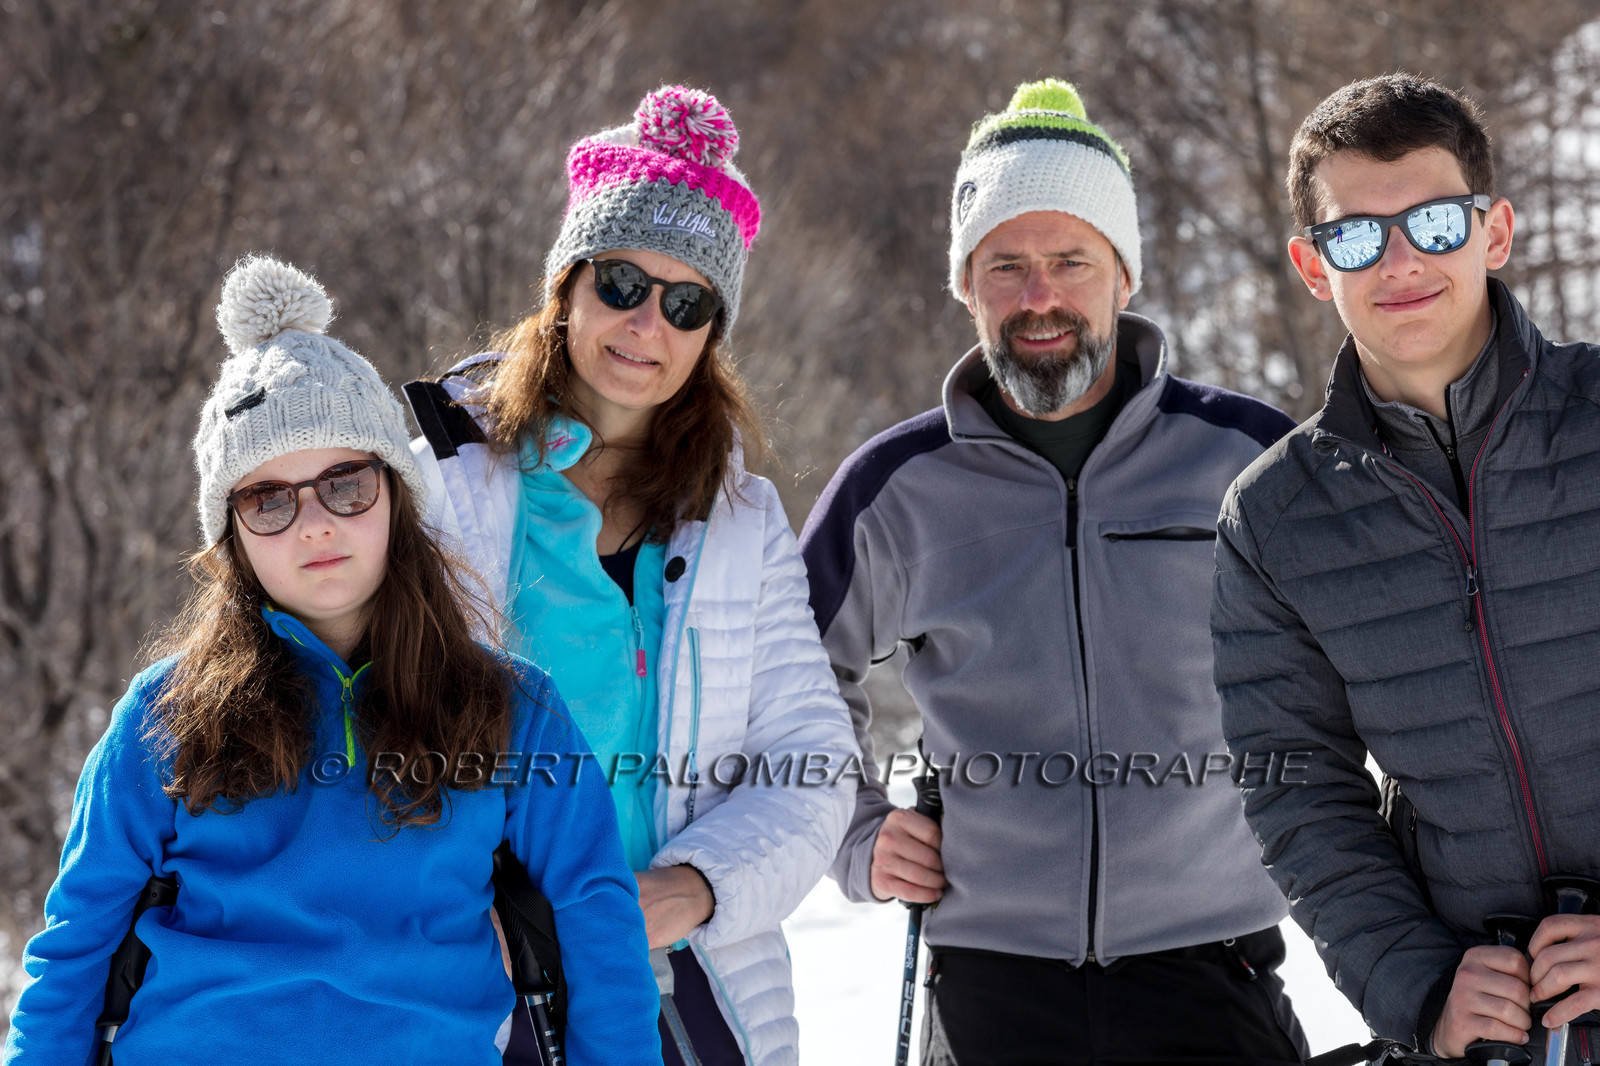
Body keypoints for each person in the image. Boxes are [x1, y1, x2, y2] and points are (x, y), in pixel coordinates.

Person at [1, 257, 660, 1064]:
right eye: (268, 500)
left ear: (396, 496)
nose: (314, 523)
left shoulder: (514, 708)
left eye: (345, 484)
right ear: (231, 536)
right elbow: (73, 950)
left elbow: (598, 922)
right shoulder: (165, 715)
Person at [799, 79, 1307, 1064]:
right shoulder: (897, 488)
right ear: (966, 285)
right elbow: (784, 677)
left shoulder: (1247, 458)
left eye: (1071, 260)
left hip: (1213, 974)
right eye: (1007, 266)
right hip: (990, 985)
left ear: (1123, 275)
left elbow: (1384, 661)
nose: (1040, 297)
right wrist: (856, 833)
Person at [405, 85, 857, 1066]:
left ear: (709, 335)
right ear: (565, 287)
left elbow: (810, 761)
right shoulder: (437, 492)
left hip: (688, 984)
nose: (647, 322)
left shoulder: (743, 524)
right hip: (477, 984)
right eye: (620, 283)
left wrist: (693, 888)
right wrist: (449, 895)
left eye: (686, 303)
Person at [1212, 73, 1600, 1058]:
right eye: (1354, 236)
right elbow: (1299, 791)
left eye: (1432, 222)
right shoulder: (1275, 519)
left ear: (1493, 231)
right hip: (1491, 1026)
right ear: (1312, 265)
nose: (1399, 261)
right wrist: (1421, 987)